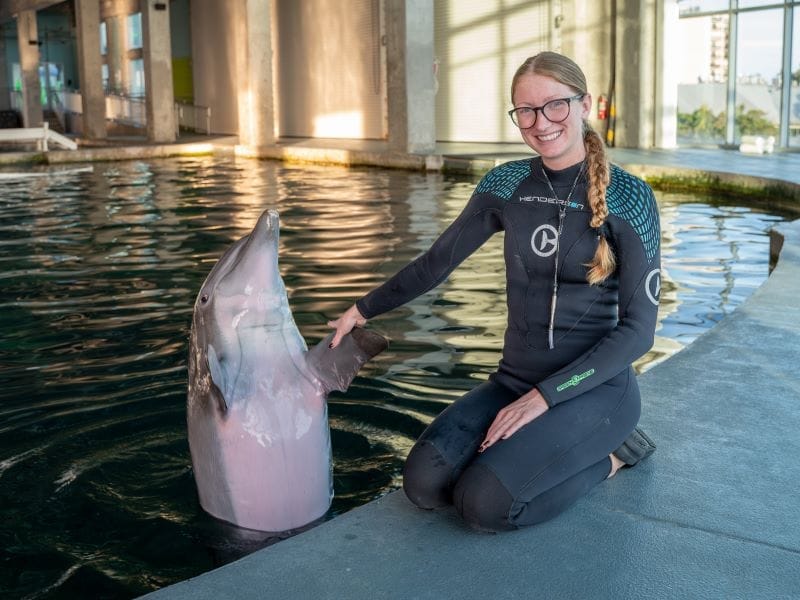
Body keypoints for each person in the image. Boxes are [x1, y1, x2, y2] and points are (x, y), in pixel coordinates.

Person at [328, 51, 659, 532]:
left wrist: (544, 397)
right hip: (512, 381)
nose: (540, 122)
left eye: (555, 105)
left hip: (593, 391)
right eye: (525, 110)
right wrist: (361, 309)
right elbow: (435, 263)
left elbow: (638, 333)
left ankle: (614, 456)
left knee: (484, 506)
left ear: (584, 103)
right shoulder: (507, 184)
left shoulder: (630, 198)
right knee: (424, 486)